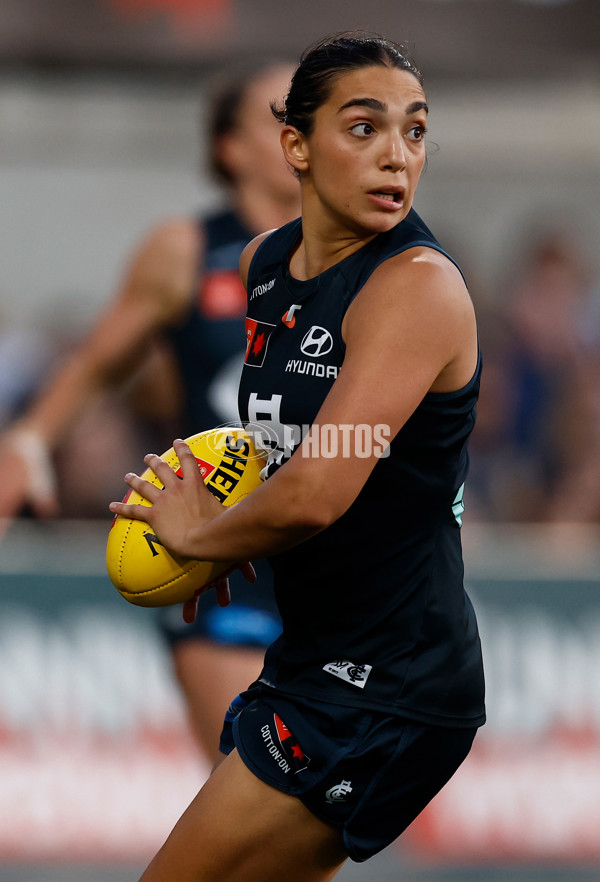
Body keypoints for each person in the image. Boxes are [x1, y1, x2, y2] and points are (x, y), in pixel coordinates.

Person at [109, 31, 486, 881]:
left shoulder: (417, 287)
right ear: (297, 146)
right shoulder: (264, 265)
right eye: (364, 128)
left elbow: (318, 487)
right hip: (315, 662)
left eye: (416, 131)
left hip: (387, 684)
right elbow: (281, 447)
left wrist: (201, 536)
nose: (398, 156)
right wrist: (236, 514)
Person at [0, 60, 300, 763]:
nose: (298, 128)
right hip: (220, 550)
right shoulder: (185, 251)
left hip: (331, 552)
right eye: (278, 113)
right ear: (230, 147)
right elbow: (96, 363)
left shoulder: (367, 256)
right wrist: (29, 442)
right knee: (254, 789)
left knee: (305, 833)